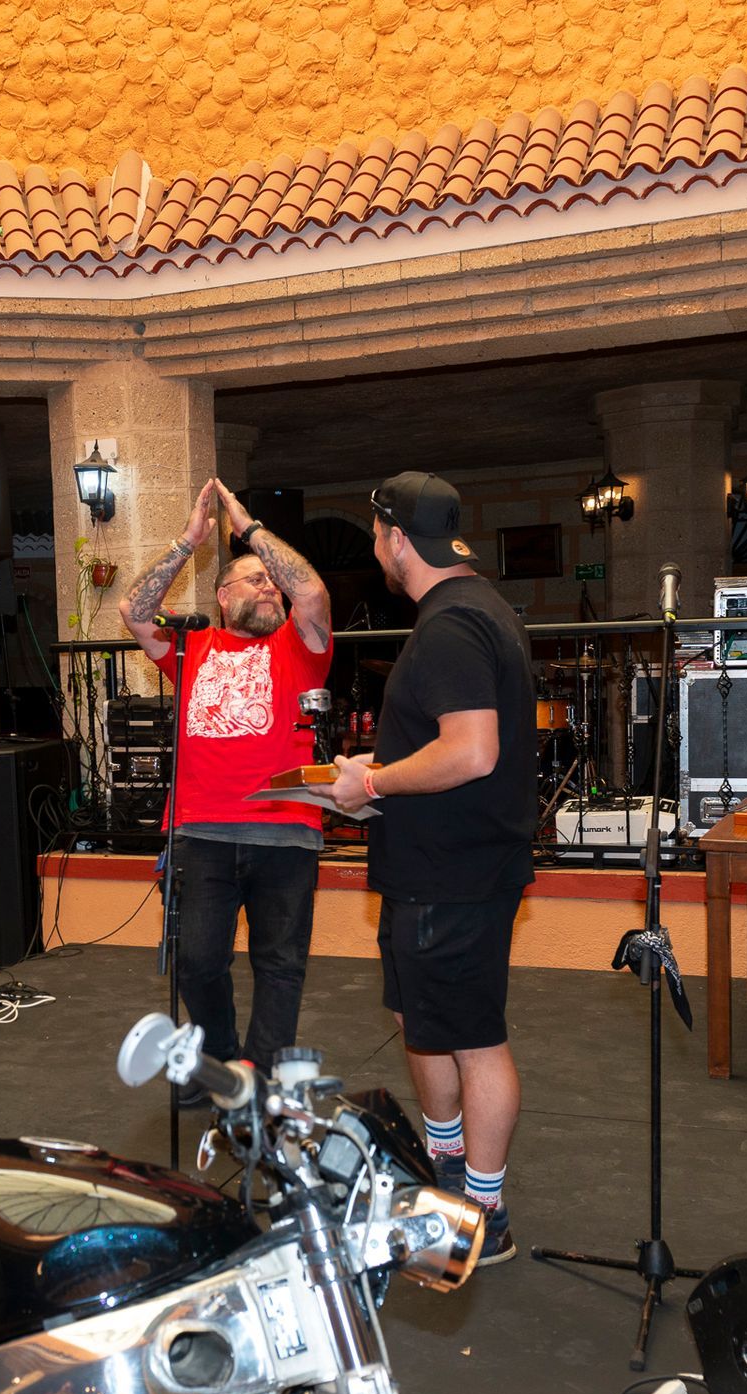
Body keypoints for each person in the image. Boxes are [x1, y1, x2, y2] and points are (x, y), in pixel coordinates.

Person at [329, 471, 536, 1265]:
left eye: (375, 537)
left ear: (394, 539)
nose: (375, 550)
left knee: (473, 1040)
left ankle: (483, 1214)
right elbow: (448, 747)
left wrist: (375, 783)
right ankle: (447, 1169)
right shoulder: (474, 610)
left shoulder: (451, 625)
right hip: (435, 866)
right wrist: (374, 779)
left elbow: (472, 751)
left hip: (455, 874)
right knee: (423, 1023)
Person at [119, 478, 333, 1095]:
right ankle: (218, 1060)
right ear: (221, 596)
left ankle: (258, 1087)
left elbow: (311, 591)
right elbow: (134, 611)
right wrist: (188, 541)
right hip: (201, 830)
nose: (270, 586)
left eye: (272, 580)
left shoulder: (300, 646)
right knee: (196, 961)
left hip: (285, 830)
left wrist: (249, 530)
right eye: (254, 578)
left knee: (280, 965)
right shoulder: (190, 648)